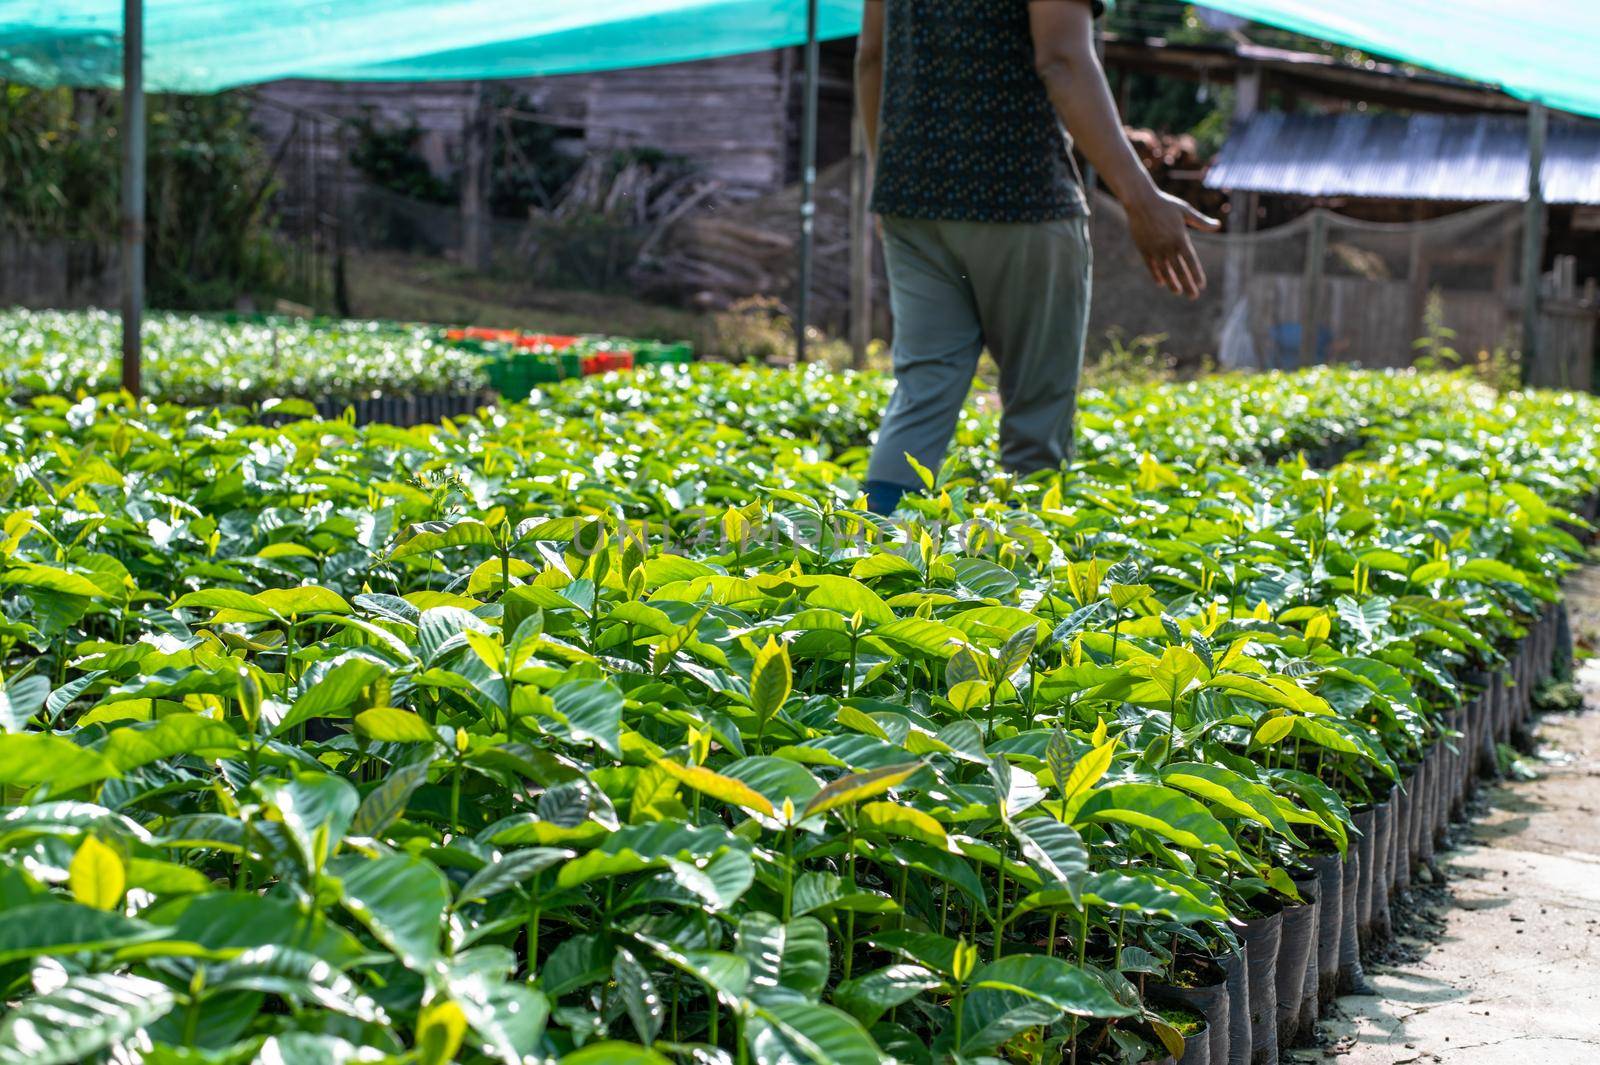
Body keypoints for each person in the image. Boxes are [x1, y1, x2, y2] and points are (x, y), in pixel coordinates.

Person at [856, 0, 1219, 514]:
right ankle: (1021, 582)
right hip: (1020, 197)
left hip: (913, 201)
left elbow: (871, 55)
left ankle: (866, 563)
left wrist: (884, 177)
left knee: (922, 392)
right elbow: (1062, 61)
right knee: (1036, 414)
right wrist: (1141, 197)